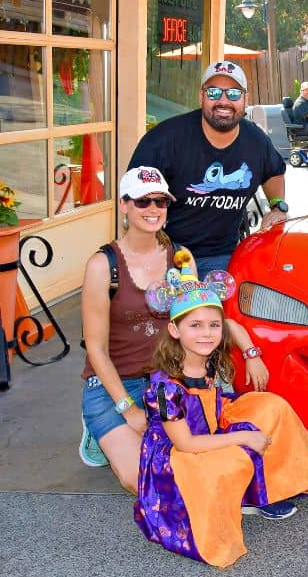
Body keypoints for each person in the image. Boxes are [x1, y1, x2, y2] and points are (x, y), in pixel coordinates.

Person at [134, 256, 308, 567]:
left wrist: (252, 354)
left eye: (213, 325)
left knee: (272, 407)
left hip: (213, 421)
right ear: (174, 329)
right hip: (180, 454)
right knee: (233, 457)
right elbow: (185, 443)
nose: (207, 333)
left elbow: (231, 326)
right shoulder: (165, 386)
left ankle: (261, 495)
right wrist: (241, 436)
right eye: (195, 325)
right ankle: (226, 504)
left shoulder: (209, 352)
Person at [79, 167, 270, 488]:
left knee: (196, 460)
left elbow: (203, 321)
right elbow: (95, 349)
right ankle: (98, 433)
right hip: (116, 387)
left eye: (160, 201)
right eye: (142, 202)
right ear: (123, 206)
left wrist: (250, 351)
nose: (153, 209)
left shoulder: (181, 259)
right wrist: (127, 409)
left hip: (172, 382)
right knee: (142, 478)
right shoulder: (102, 266)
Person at [128, 60, 290, 278]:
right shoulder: (165, 140)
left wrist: (277, 206)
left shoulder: (256, 141)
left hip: (221, 256)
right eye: (213, 92)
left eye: (233, 93)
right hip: (164, 253)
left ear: (245, 100)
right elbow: (133, 197)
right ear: (201, 96)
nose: (223, 101)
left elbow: (273, 171)